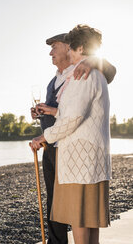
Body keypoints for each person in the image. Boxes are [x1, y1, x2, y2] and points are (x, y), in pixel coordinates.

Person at [30, 31, 116, 243]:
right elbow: (71, 112)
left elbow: (74, 117)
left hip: (76, 151)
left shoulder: (83, 72)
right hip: (62, 147)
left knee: (78, 214)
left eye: (57, 47)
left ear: (74, 48)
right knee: (62, 204)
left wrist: (43, 137)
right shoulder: (55, 80)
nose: (52, 52)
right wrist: (48, 112)